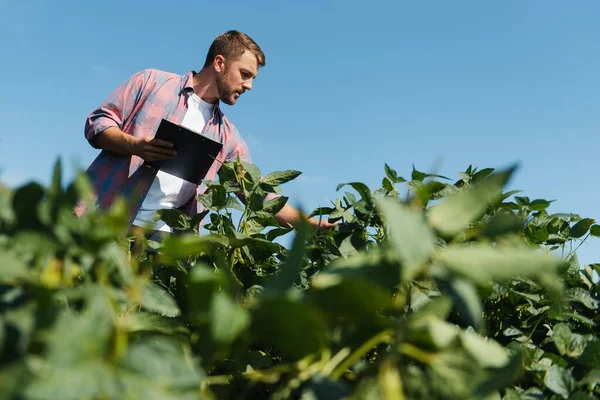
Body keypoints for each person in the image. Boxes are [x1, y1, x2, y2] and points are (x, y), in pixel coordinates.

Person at [75, 30, 335, 237]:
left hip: (162, 240)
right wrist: (135, 146)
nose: (249, 86)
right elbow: (97, 124)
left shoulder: (227, 138)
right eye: (245, 74)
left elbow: (257, 195)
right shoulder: (152, 82)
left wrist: (309, 224)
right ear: (220, 63)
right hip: (103, 220)